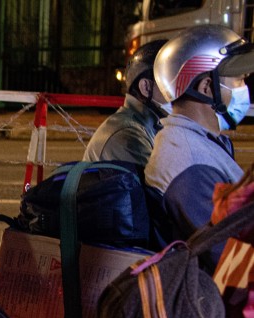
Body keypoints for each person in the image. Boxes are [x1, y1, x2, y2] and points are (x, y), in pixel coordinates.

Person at [145, 25, 251, 263]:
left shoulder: (199, 142)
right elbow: (229, 258)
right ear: (206, 87)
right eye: (237, 80)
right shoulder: (189, 162)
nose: (244, 88)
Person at [83, 39, 170, 166]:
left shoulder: (147, 125)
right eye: (168, 82)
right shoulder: (129, 135)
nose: (178, 92)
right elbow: (161, 184)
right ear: (146, 87)